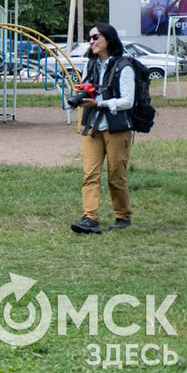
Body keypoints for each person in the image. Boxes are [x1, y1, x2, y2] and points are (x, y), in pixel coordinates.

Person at [70, 23, 135, 235]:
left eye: (96, 36)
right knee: (90, 174)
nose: (92, 41)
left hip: (117, 128)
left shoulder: (124, 67)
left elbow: (128, 101)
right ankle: (89, 219)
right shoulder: (91, 65)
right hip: (93, 126)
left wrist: (99, 103)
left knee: (116, 175)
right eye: (90, 38)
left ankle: (123, 216)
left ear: (108, 38)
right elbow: (88, 89)